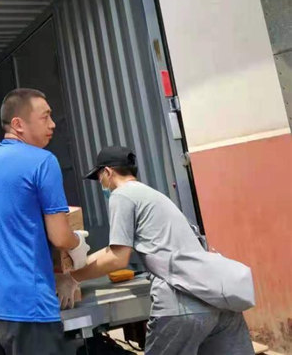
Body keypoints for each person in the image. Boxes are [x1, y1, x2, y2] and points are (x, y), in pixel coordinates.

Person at [57, 146, 254, 355]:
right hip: (218, 301)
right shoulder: (152, 195)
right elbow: (115, 250)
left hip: (183, 304)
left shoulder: (122, 195)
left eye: (99, 178)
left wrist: (72, 278)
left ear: (107, 172)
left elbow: (117, 257)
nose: (102, 184)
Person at [0, 88, 89, 355]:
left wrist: (4, 237)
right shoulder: (43, 161)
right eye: (45, 117)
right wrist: (77, 244)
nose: (53, 124)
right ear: (18, 124)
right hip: (29, 307)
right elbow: (60, 236)